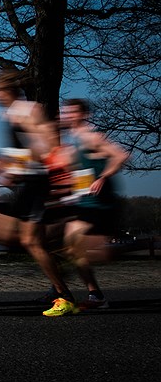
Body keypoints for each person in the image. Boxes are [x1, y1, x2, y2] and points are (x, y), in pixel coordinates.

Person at [0, 69, 77, 317]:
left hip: (38, 181)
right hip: (28, 181)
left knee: (30, 241)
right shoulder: (9, 112)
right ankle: (60, 259)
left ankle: (64, 295)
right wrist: (5, 168)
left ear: (7, 90)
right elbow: (20, 152)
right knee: (10, 234)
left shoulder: (28, 110)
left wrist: (25, 164)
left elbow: (47, 141)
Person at [60, 98, 129, 309]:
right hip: (84, 203)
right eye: (66, 112)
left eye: (72, 112)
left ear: (84, 115)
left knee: (96, 253)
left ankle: (139, 246)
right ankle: (95, 295)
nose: (67, 115)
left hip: (101, 204)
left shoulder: (92, 137)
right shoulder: (75, 141)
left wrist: (103, 177)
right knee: (71, 247)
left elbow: (120, 155)